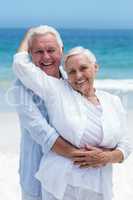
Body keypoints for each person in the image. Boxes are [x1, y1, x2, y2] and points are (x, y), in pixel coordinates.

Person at [13, 29, 132, 200]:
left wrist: (108, 156)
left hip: (99, 185)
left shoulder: (112, 101)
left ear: (96, 68)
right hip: (58, 182)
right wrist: (30, 34)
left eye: (83, 68)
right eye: (39, 51)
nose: (78, 75)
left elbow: (126, 143)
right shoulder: (57, 90)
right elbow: (20, 66)